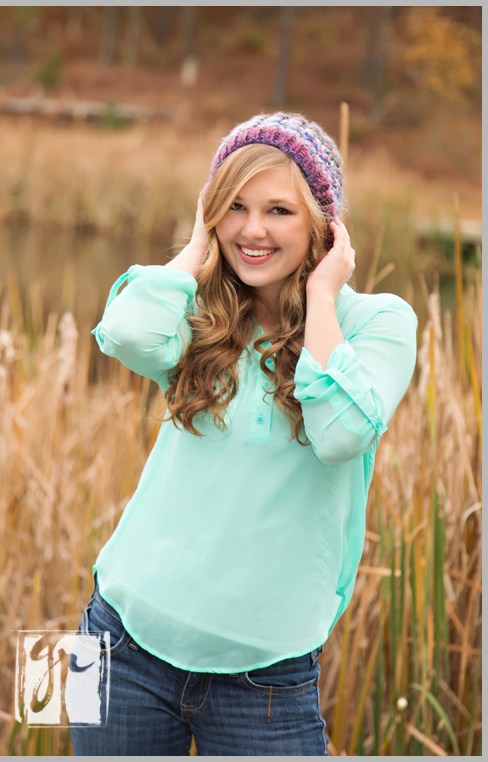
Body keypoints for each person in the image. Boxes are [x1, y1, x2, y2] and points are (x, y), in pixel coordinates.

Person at [69, 112, 418, 756]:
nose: (252, 230)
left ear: (324, 223)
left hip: (268, 676)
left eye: (280, 210)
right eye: (234, 206)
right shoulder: (197, 310)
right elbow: (123, 332)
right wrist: (197, 245)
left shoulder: (378, 323)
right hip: (111, 636)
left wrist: (320, 296)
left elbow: (341, 433)